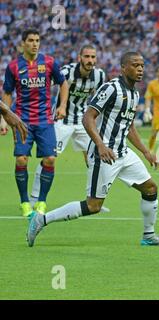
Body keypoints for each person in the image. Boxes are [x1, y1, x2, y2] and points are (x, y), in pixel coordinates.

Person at [26, 52, 159, 248]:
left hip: (123, 153)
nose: (140, 69)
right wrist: (100, 145)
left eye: (142, 65)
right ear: (123, 67)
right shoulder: (111, 88)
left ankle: (149, 235)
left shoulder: (134, 93)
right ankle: (41, 220)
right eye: (135, 65)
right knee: (93, 206)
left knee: (150, 188)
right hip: (103, 155)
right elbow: (88, 117)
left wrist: (145, 152)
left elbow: (128, 126)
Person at [29, 45, 108, 209]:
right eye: (87, 57)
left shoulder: (99, 75)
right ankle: (34, 198)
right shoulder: (67, 71)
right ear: (80, 57)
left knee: (95, 158)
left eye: (93, 57)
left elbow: (100, 99)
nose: (90, 60)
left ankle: (93, 200)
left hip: (82, 121)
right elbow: (45, 86)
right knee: (49, 158)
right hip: (61, 121)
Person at [1, 28, 69, 216]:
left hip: (45, 120)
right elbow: (7, 93)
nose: (35, 43)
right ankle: (24, 202)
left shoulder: (48, 62)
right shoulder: (14, 66)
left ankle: (41, 202)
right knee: (21, 159)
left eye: (37, 40)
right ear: (23, 43)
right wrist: (4, 119)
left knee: (50, 159)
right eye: (31, 40)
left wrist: (62, 106)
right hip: (22, 121)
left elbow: (63, 83)